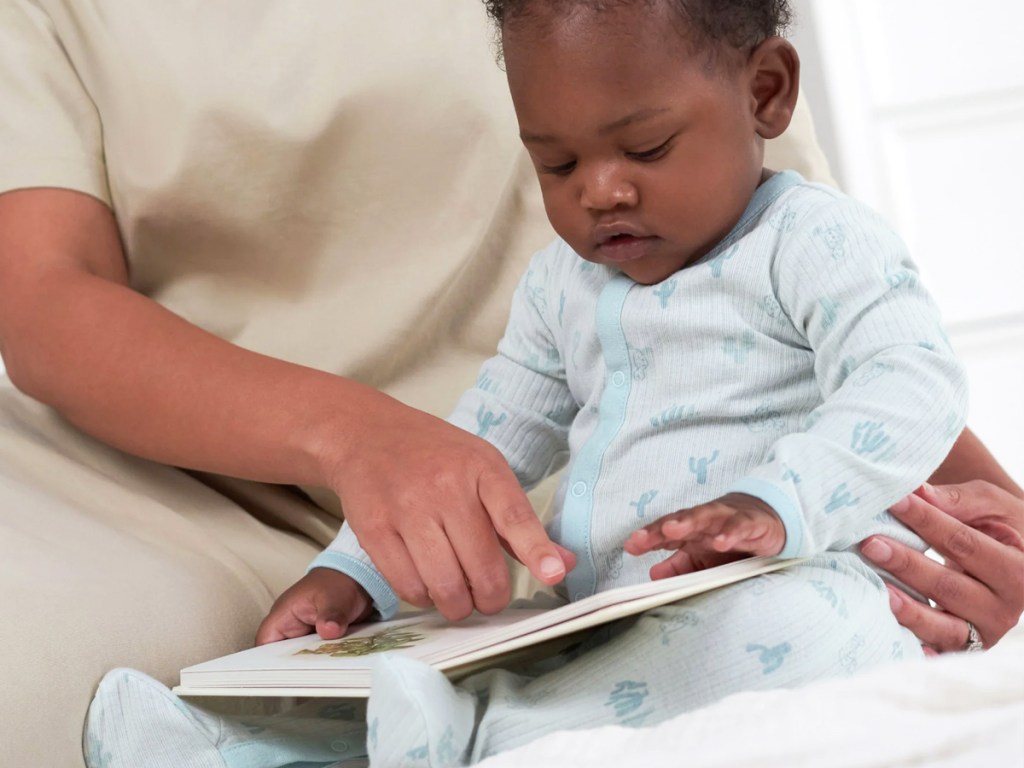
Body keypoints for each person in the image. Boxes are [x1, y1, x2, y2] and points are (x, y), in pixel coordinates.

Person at [0, 2, 1019, 767]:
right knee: (492, 647)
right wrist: (356, 572)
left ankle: (460, 734)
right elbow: (483, 433)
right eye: (556, 164)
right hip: (594, 604)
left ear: (765, 97)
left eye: (644, 150)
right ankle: (224, 745)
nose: (601, 191)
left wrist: (782, 503)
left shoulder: (816, 241)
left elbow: (903, 381)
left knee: (809, 635)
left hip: (792, 570)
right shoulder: (568, 284)